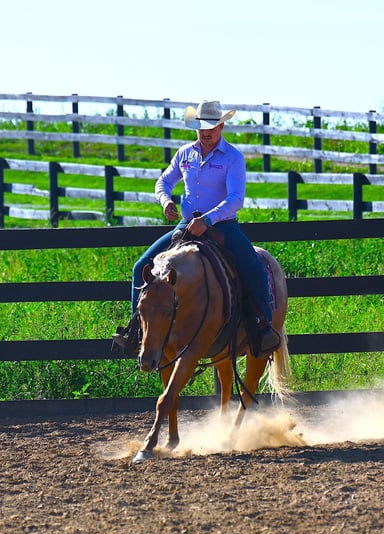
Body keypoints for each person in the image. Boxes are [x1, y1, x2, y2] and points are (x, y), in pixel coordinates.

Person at [111, 100, 281, 358]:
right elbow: (164, 181)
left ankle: (263, 326)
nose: (206, 131)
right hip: (187, 224)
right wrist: (165, 200)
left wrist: (209, 220)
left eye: (212, 126)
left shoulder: (233, 158)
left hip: (223, 227)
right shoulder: (185, 153)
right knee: (140, 267)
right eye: (202, 127)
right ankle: (136, 330)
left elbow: (236, 199)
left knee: (252, 266)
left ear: (222, 125)